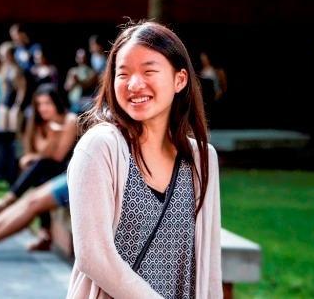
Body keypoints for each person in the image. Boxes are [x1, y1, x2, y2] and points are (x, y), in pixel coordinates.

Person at [66, 22, 221, 298]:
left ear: (179, 79)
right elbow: (94, 255)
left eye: (149, 71)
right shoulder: (101, 147)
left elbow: (209, 267)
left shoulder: (202, 158)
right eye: (122, 74)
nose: (134, 84)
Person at [0, 84, 77, 250]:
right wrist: (46, 135)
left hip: (66, 171)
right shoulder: (40, 124)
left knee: (39, 168)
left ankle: (1, 207)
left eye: (47, 103)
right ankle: (42, 233)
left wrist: (52, 136)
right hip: (48, 173)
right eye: (39, 104)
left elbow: (57, 156)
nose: (43, 108)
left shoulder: (70, 120)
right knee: (39, 172)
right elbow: (37, 152)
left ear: (57, 103)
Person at [0, 41, 27, 133]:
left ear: (10, 54)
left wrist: (17, 106)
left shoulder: (18, 69)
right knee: (1, 132)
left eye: (3, 54)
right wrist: (0, 102)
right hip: (4, 102)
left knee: (13, 133)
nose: (1, 57)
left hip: (14, 103)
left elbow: (22, 90)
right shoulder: (3, 67)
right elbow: (3, 87)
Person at [65, 48, 98, 113]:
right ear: (76, 58)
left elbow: (88, 86)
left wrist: (78, 81)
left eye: (83, 57)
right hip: (74, 101)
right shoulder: (72, 71)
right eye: (79, 58)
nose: (81, 60)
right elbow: (67, 87)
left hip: (86, 102)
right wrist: (73, 81)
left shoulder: (91, 72)